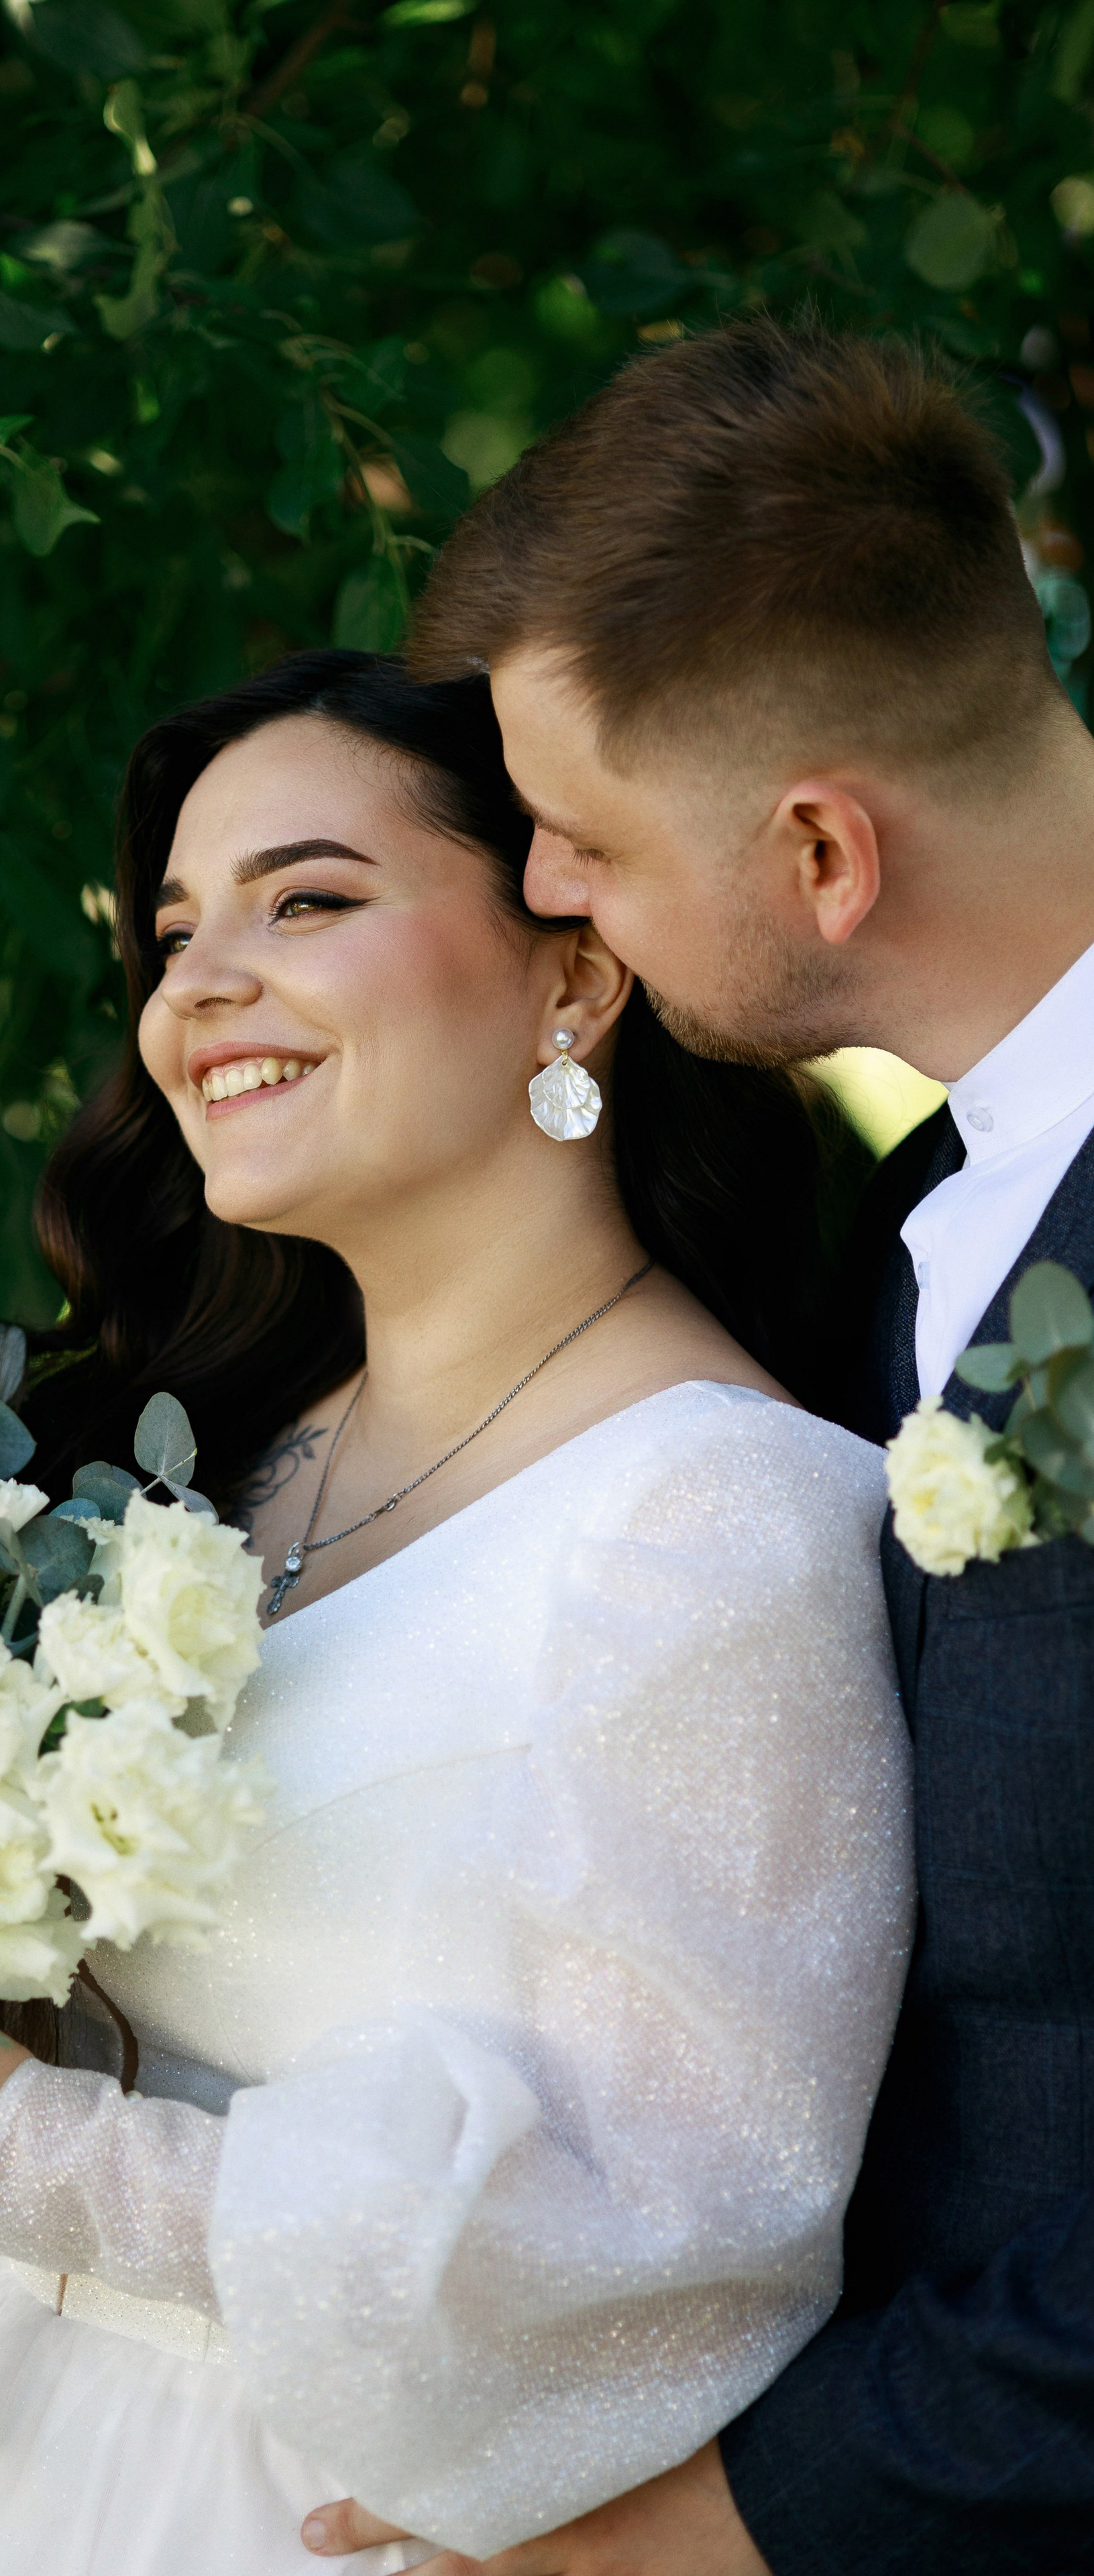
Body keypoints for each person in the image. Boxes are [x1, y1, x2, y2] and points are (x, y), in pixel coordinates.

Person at [0, 649, 913, 2576]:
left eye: (309, 899)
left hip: (331, 2522)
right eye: (176, 929)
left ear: (574, 973)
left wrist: (25, 2155)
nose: (200, 982)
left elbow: (689, 2225)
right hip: (17, 2478)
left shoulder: (716, 1511)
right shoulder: (220, 1468)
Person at [299, 320, 1094, 2574]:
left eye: (581, 837)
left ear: (823, 849)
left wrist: (668, 2544)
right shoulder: (933, 1222)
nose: (547, 894)